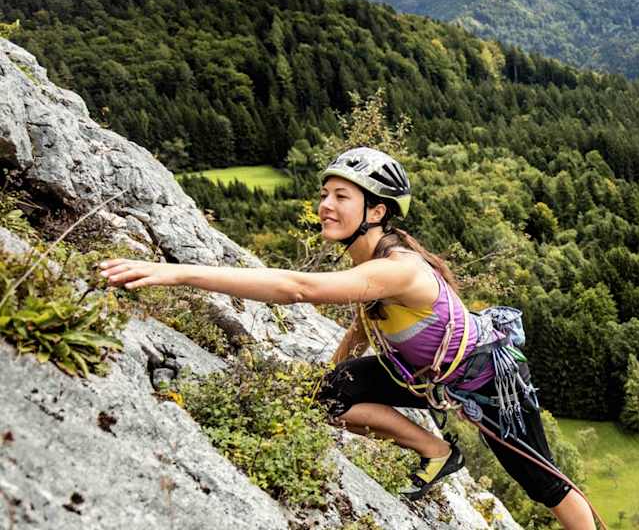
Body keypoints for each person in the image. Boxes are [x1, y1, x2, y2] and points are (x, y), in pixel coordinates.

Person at [99, 147, 597, 529]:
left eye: (341, 197)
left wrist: (175, 272)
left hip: (489, 380)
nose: (324, 206)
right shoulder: (371, 260)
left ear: (376, 212)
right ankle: (439, 452)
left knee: (542, 481)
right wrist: (334, 369)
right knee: (329, 395)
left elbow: (298, 289)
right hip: (429, 377)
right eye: (324, 195)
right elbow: (365, 322)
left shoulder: (400, 269)